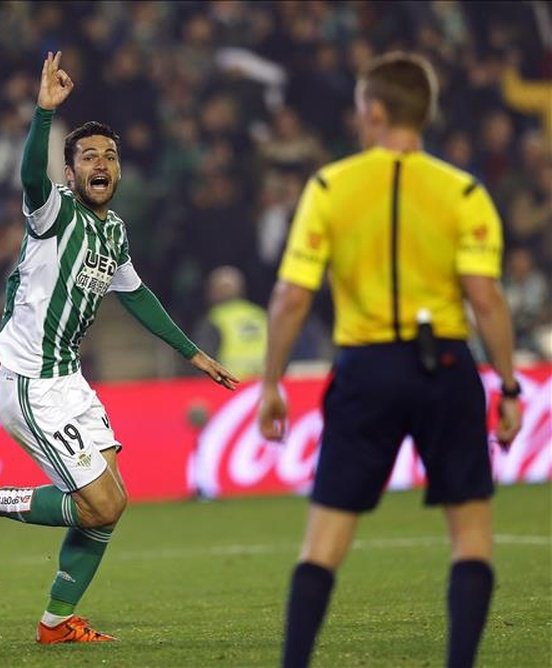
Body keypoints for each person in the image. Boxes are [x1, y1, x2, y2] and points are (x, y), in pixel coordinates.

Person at [0, 52, 239, 644]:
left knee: (112, 502)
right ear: (70, 173)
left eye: (110, 156)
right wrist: (44, 115)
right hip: (28, 382)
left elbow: (138, 295)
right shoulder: (53, 213)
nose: (102, 164)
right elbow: (29, 177)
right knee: (97, 503)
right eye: (89, 157)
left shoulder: (115, 229)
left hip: (69, 379)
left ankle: (55, 623)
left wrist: (193, 354)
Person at [256, 52, 523, 668]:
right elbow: (485, 296)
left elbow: (292, 296)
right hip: (448, 370)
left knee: (324, 541)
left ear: (373, 111)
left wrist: (272, 383)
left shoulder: (330, 186)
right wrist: (508, 387)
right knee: (472, 537)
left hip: (364, 369)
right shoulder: (463, 192)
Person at [192, 265, 268, 379]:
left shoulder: (214, 319)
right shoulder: (261, 315)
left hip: (230, 385)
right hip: (264, 384)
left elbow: (202, 361)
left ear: (213, 292)